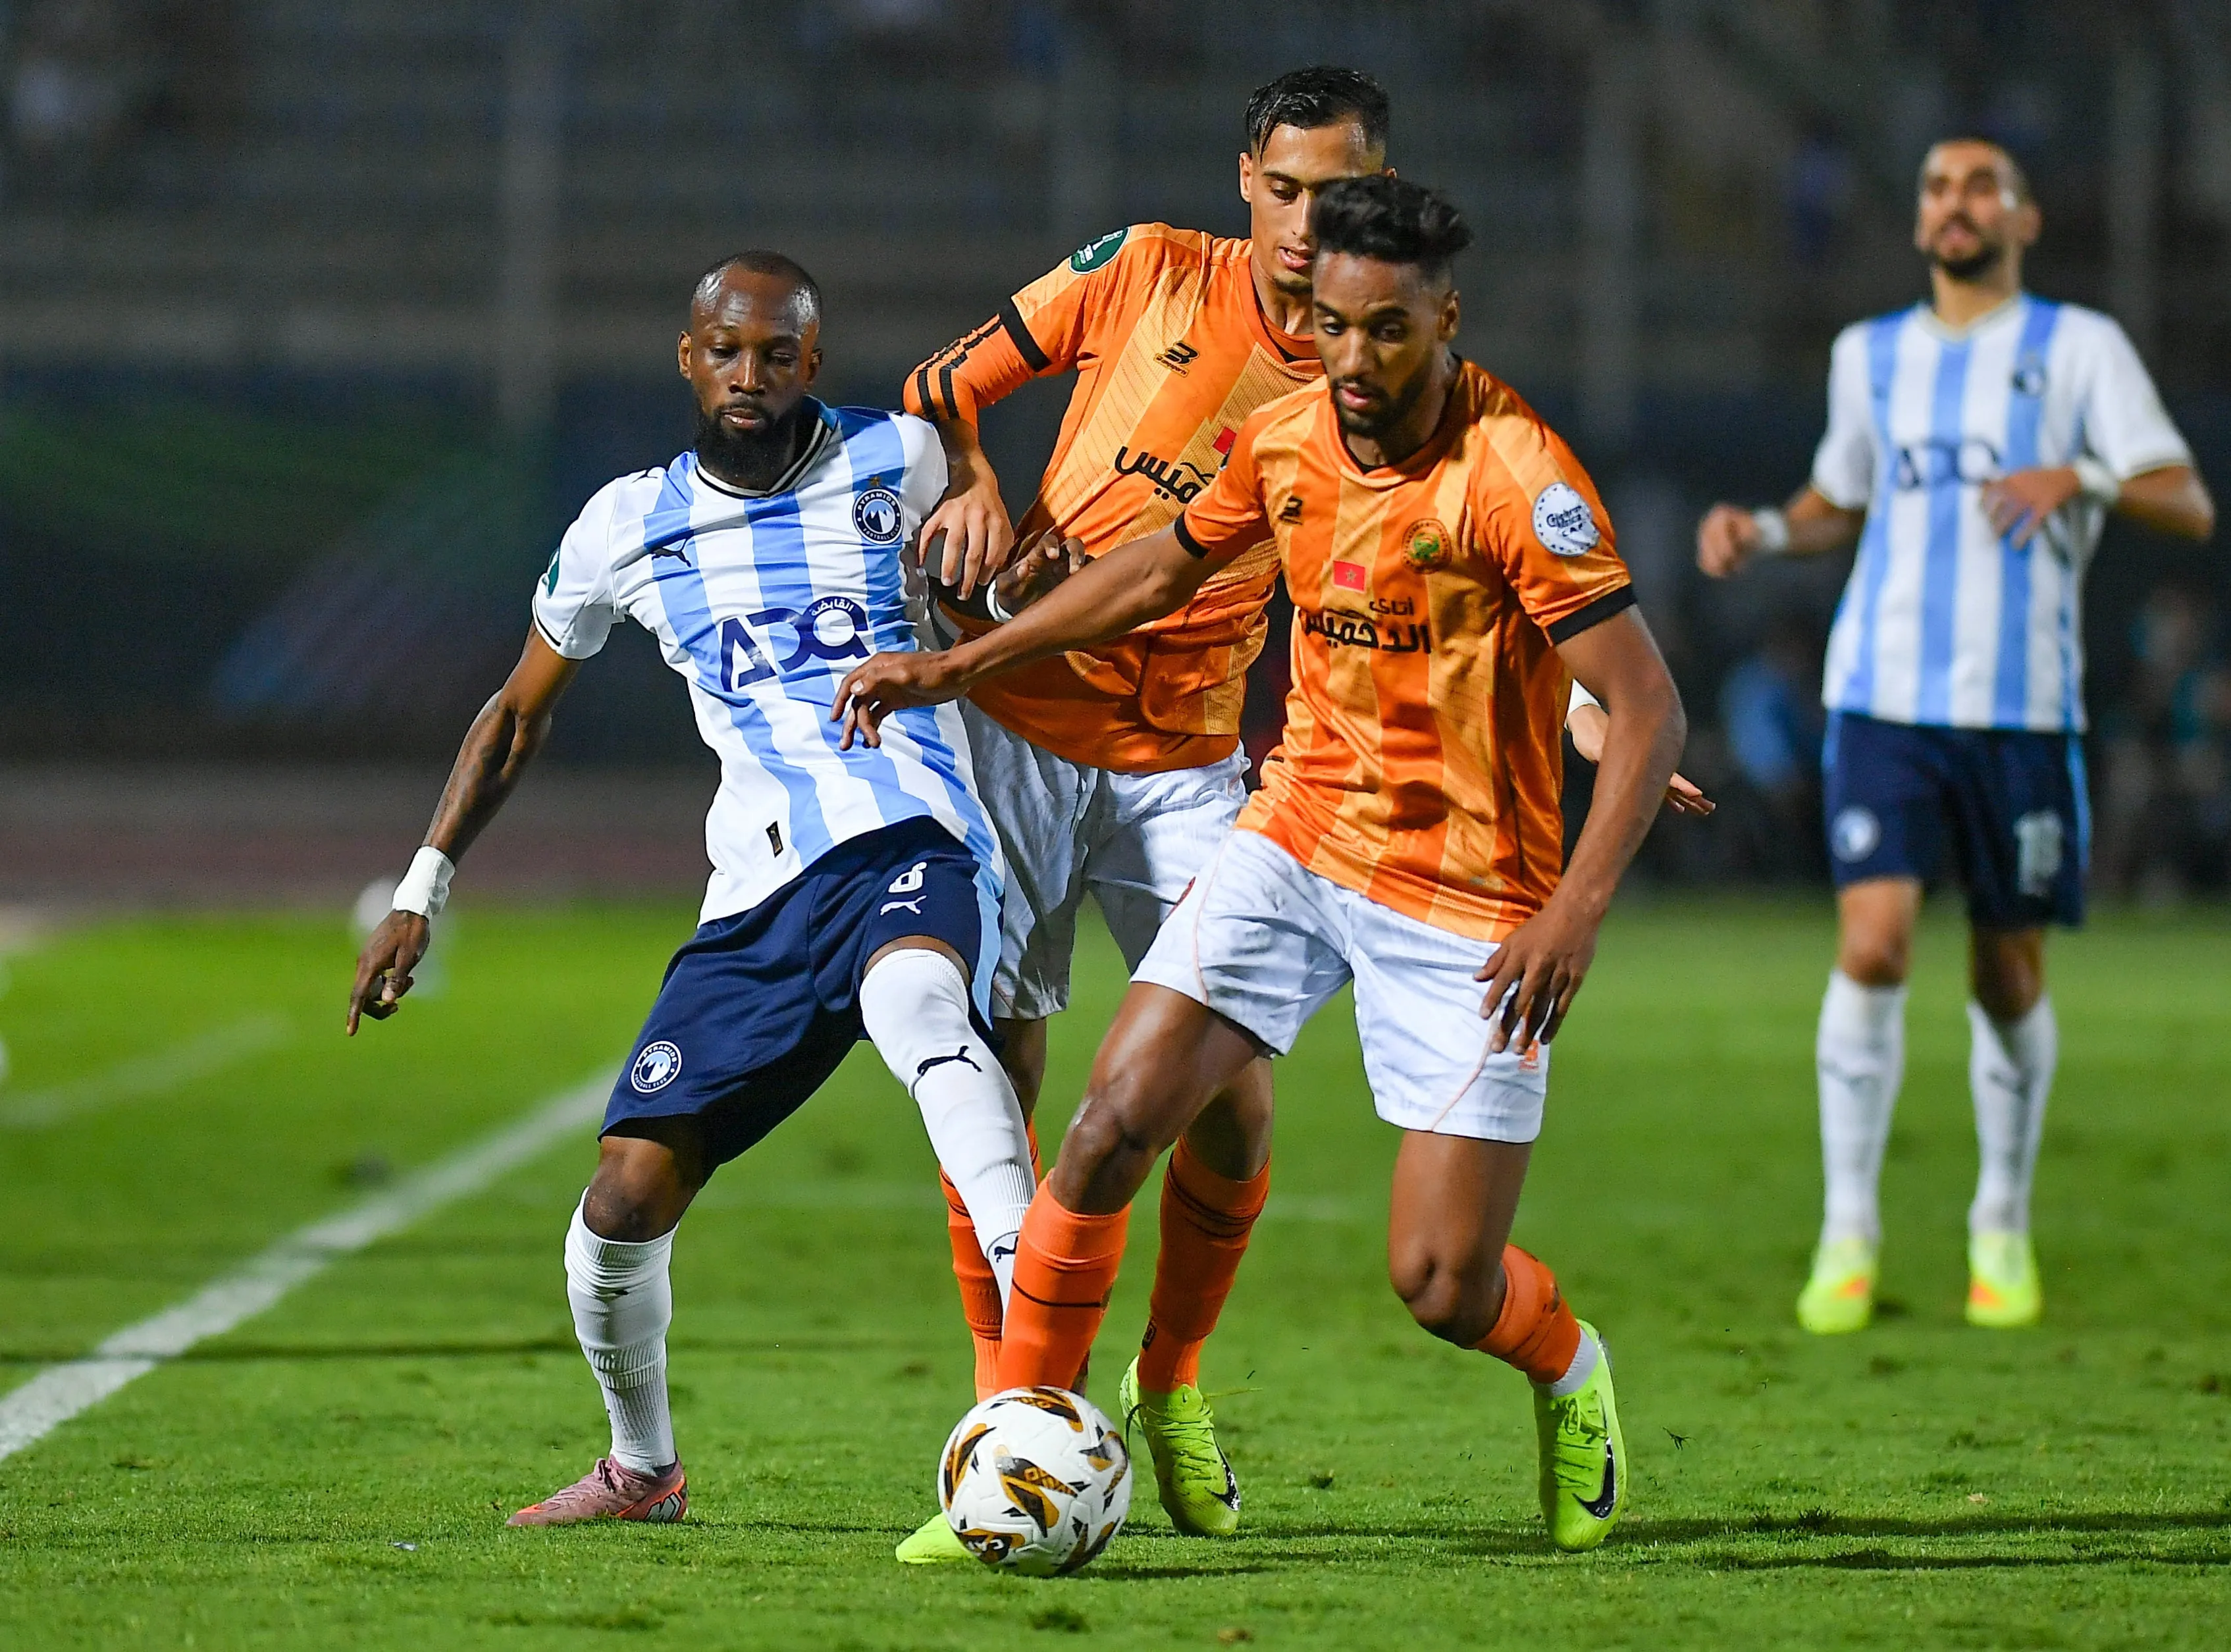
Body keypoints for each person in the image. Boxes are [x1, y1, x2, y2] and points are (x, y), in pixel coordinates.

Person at [840, 176, 1689, 1554]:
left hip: (1467, 897)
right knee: (1111, 1117)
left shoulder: (1518, 476)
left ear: (1444, 318)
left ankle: (1566, 1367)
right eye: (1329, 325)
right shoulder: (1287, 436)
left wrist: (1573, 911)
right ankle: (1009, 1460)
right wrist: (959, 659)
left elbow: (1643, 704)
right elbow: (1153, 573)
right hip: (1294, 836)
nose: (1352, 361)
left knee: (1438, 1280)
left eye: (1387, 331)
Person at [346, 253, 1037, 1526]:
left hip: (913, 835)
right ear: (688, 356)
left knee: (921, 1012)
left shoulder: (902, 459)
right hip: (755, 899)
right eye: (728, 351)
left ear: (811, 364)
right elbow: (514, 715)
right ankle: (643, 1470)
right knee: (617, 1206)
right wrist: (422, 886)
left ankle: (1044, 1384)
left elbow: (1004, 556)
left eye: (778, 354)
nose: (750, 375)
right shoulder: (623, 526)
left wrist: (992, 513)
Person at [893, 65, 1395, 1554]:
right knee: (1000, 1073)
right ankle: (1004, 1431)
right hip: (1014, 738)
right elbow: (943, 382)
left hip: (1183, 757)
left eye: (1340, 194)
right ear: (1247, 175)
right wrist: (976, 479)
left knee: (1226, 1100)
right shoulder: (1143, 268)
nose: (1309, 226)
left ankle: (1168, 1378)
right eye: (1288, 190)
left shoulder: (1377, 362)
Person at [1695, 138, 2215, 1334]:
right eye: (1935, 186)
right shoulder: (1868, 356)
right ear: (1920, 217)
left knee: (2006, 973)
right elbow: (1844, 496)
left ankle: (2001, 1220)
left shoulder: (2078, 348)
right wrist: (1767, 530)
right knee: (1873, 946)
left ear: (2024, 217)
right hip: (1883, 697)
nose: (1955, 203)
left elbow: (2186, 498)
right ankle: (1848, 1233)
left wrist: (2075, 474)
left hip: (2025, 713)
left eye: (1982, 186)